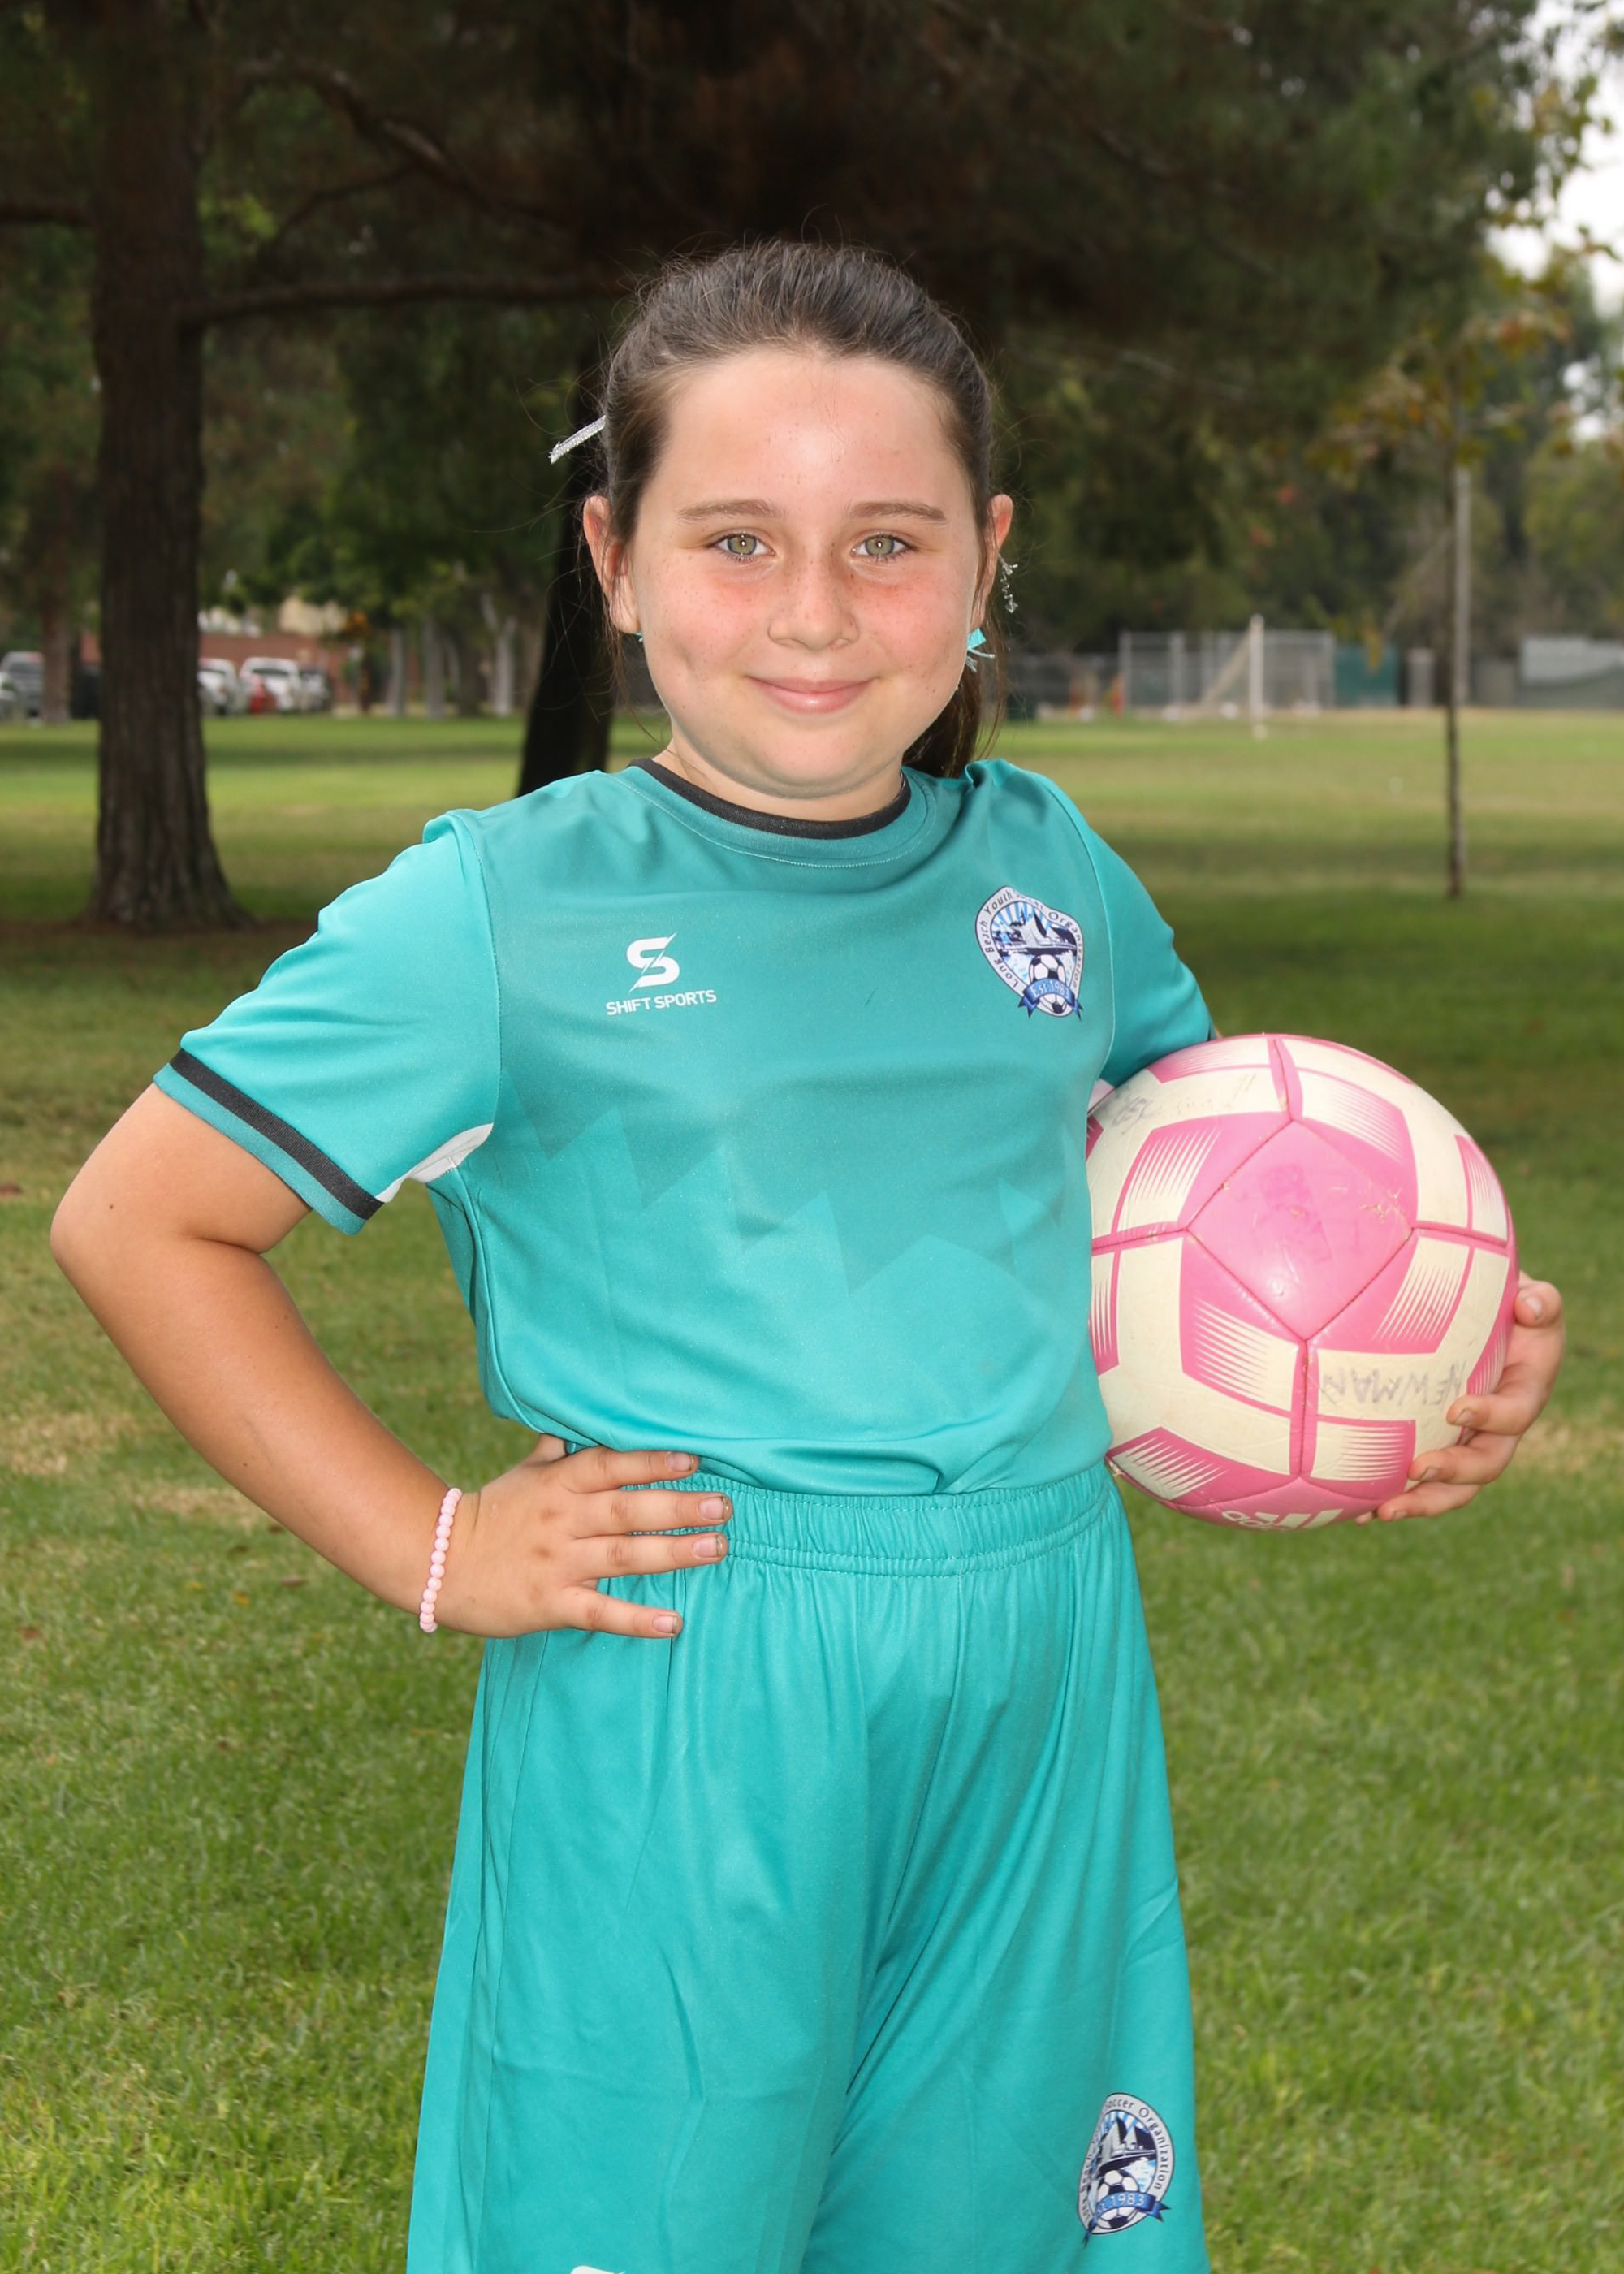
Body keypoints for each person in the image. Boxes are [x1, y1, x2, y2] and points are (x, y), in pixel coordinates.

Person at [50, 240, 1566, 2274]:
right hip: (688, 1671)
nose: (816, 613)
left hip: (1038, 1670)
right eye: (738, 540)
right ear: (614, 557)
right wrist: (432, 1542)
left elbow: (1231, 1208)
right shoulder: (501, 911)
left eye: (887, 543)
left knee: (998, 2228)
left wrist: (1423, 1363)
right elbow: (140, 1215)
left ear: (987, 556)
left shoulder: (1052, 873)